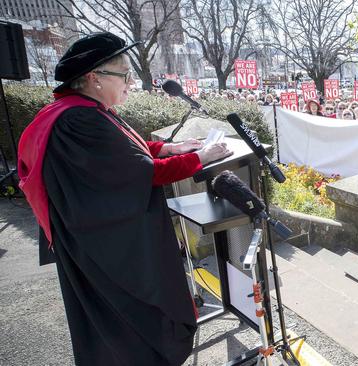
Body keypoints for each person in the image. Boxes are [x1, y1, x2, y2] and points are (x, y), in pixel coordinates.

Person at [17, 33, 234, 365]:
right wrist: (201, 158)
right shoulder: (80, 120)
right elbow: (140, 173)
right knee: (129, 326)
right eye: (124, 74)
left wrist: (170, 147)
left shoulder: (83, 110)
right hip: (105, 247)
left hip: (92, 237)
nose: (131, 83)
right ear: (94, 78)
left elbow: (120, 156)